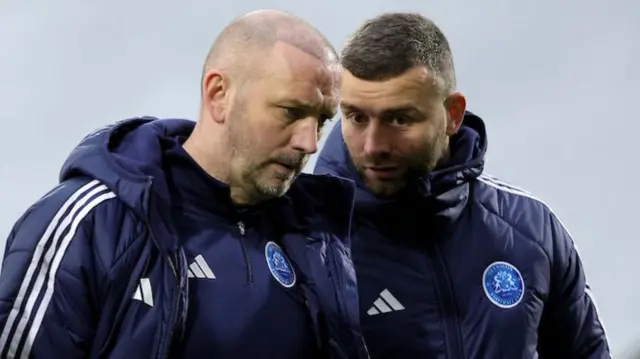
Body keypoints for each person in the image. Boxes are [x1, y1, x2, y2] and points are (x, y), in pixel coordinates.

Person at [0, 9, 370, 359]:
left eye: (321, 120)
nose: (309, 142)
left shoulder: (318, 241)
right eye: (291, 112)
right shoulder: (94, 222)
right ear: (218, 95)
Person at [314, 12, 611, 359]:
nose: (373, 145)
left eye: (399, 119)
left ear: (452, 115)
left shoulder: (532, 231)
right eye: (356, 117)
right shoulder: (311, 246)